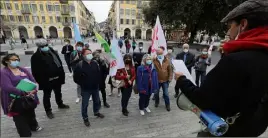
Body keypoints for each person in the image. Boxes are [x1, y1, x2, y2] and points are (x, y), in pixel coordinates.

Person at [174, 0, 268, 137]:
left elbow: (203, 100)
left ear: (243, 25)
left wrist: (181, 79)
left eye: (230, 26)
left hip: (228, 130)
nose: (229, 31)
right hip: (255, 128)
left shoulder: (234, 61)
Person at [1, 53, 42, 137]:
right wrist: (23, 92)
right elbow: (7, 87)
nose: (16, 61)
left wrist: (33, 89)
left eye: (17, 59)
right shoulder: (3, 72)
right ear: (6, 61)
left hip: (28, 97)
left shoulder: (22, 69)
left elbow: (32, 79)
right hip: (14, 99)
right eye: (13, 60)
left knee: (30, 112)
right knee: (19, 117)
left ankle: (33, 126)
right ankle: (25, 134)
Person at [31, 39, 69, 119]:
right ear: (39, 47)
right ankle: (48, 110)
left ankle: (60, 104)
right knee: (47, 95)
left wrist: (61, 75)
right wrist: (40, 81)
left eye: (46, 45)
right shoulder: (35, 57)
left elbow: (59, 63)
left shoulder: (53, 52)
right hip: (46, 80)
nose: (45, 47)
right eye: (43, 46)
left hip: (57, 78)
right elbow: (35, 71)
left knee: (58, 92)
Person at [73, 49, 105, 127]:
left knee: (97, 101)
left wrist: (98, 83)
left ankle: (96, 112)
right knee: (85, 104)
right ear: (83, 55)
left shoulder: (95, 63)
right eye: (88, 54)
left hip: (95, 87)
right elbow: (75, 78)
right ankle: (85, 118)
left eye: (90, 53)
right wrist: (82, 83)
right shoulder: (79, 65)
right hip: (85, 89)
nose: (90, 55)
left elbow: (99, 74)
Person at [153, 46, 172, 111]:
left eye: (160, 52)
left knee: (166, 94)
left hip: (165, 80)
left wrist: (170, 78)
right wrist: (152, 58)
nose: (159, 54)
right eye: (157, 52)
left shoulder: (167, 60)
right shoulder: (154, 60)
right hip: (157, 80)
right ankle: (157, 102)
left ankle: (167, 105)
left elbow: (170, 70)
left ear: (163, 53)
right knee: (156, 93)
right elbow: (147, 62)